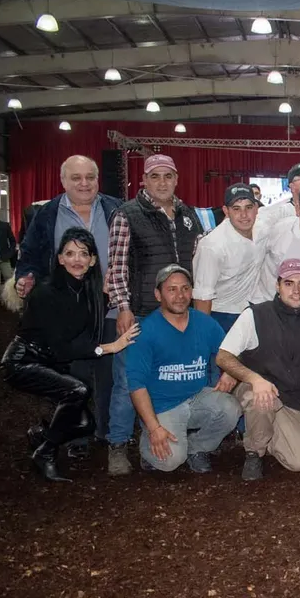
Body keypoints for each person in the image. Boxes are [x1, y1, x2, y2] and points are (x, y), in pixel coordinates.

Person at [1, 228, 139, 482]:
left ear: (93, 260)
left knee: (85, 425)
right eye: (70, 253)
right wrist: (109, 347)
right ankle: (45, 452)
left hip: (51, 363)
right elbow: (61, 348)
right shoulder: (45, 292)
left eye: (83, 254)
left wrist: (106, 294)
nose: (77, 259)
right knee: (77, 391)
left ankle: (42, 434)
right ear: (60, 258)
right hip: (23, 361)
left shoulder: (87, 291)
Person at [105, 153, 204, 476]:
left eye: (168, 176)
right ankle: (118, 444)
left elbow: (197, 260)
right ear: (144, 180)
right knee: (127, 381)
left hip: (178, 313)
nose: (162, 182)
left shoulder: (188, 215)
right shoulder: (127, 215)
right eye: (155, 176)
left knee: (171, 377)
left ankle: (164, 438)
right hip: (142, 314)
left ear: (176, 179)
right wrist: (123, 307)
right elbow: (116, 267)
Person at [14, 155, 123, 442]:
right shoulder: (46, 214)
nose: (84, 183)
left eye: (90, 177)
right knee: (74, 373)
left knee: (108, 373)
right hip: (67, 311)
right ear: (63, 181)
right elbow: (30, 256)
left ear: (98, 179)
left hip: (108, 308)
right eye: (76, 178)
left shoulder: (117, 208)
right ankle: (77, 436)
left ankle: (107, 431)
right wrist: (24, 278)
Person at [217, 259, 300, 479]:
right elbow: (223, 356)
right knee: (261, 398)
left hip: (291, 399)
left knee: (299, 463)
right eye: (289, 283)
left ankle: (268, 433)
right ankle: (254, 451)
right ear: (277, 286)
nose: (296, 290)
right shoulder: (255, 315)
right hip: (259, 390)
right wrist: (254, 379)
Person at [126, 265, 241, 473]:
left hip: (196, 397)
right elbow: (136, 385)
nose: (180, 295)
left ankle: (196, 448)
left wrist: (230, 371)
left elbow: (230, 351)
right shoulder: (146, 331)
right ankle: (149, 446)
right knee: (170, 462)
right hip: (162, 406)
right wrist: (154, 428)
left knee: (230, 409)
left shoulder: (205, 323)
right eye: (172, 289)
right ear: (158, 294)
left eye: (185, 288)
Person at [192, 183, 264, 332]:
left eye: (248, 207)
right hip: (220, 315)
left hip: (252, 311)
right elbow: (202, 297)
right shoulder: (212, 246)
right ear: (226, 211)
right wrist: (202, 337)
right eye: (236, 209)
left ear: (256, 209)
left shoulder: (263, 229)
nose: (244, 215)